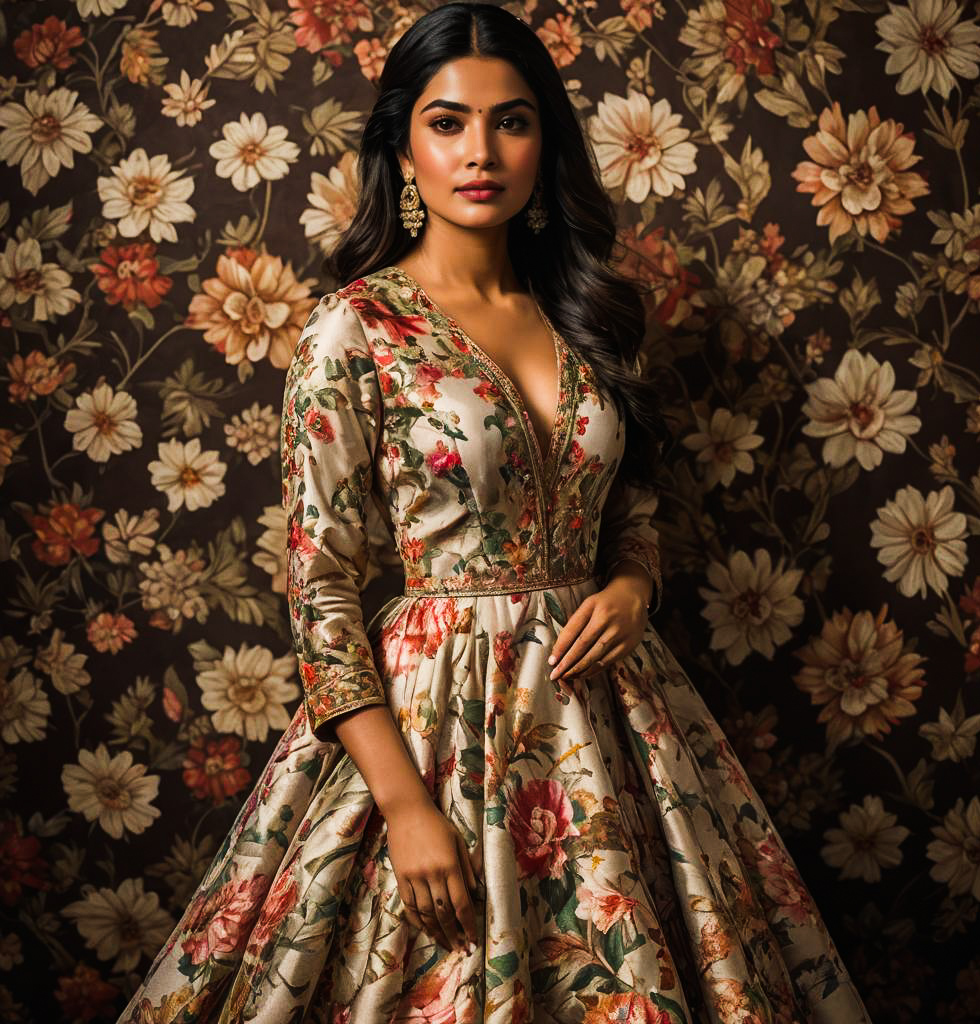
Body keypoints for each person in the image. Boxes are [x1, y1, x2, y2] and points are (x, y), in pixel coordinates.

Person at [116, 4, 873, 1022]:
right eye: (446, 122)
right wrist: (400, 802)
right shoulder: (356, 326)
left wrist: (634, 585)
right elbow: (321, 579)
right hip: (436, 724)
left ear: (544, 140)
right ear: (400, 144)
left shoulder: (588, 313)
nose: (481, 152)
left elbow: (631, 508)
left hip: (604, 713)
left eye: (511, 122)